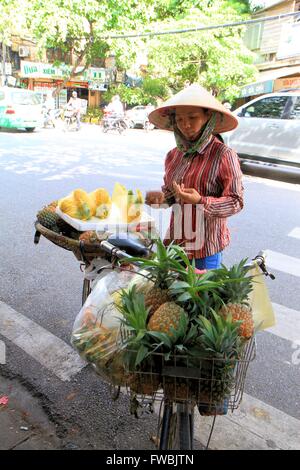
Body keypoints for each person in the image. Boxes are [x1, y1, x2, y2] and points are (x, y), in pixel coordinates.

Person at [145, 84, 243, 270]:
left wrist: (200, 200)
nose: (185, 125)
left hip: (206, 248)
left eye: (193, 117)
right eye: (180, 119)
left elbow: (236, 201)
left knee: (201, 298)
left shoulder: (224, 155)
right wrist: (161, 199)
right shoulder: (174, 155)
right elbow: (171, 197)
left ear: (209, 117)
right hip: (175, 244)